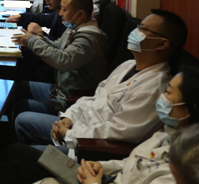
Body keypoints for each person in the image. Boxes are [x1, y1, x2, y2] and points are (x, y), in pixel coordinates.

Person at [0, 65, 199, 184]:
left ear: (188, 108)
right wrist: (102, 166)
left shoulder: (186, 163)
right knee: (14, 152)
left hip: (93, 164)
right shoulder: (166, 134)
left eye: (168, 92)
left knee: (14, 158)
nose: (162, 96)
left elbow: (118, 133)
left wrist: (93, 179)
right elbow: (131, 163)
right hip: (100, 172)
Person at [15, 9, 187, 158]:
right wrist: (69, 118)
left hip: (88, 148)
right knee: (23, 120)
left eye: (143, 29)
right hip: (79, 124)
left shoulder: (154, 88)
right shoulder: (129, 65)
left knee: (19, 154)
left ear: (162, 44)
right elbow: (95, 97)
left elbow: (118, 133)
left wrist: (69, 134)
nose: (136, 32)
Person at [12, 0, 108, 115]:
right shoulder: (75, 27)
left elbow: (63, 60)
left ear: (80, 14)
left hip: (70, 101)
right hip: (59, 89)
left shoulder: (88, 40)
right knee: (19, 87)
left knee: (21, 109)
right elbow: (58, 46)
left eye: (64, 9)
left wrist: (32, 42)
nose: (60, 13)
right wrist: (40, 39)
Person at [8, 0, 72, 41]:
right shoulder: (57, 13)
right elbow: (44, 18)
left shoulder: (71, 19)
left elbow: (59, 46)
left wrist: (41, 33)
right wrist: (22, 17)